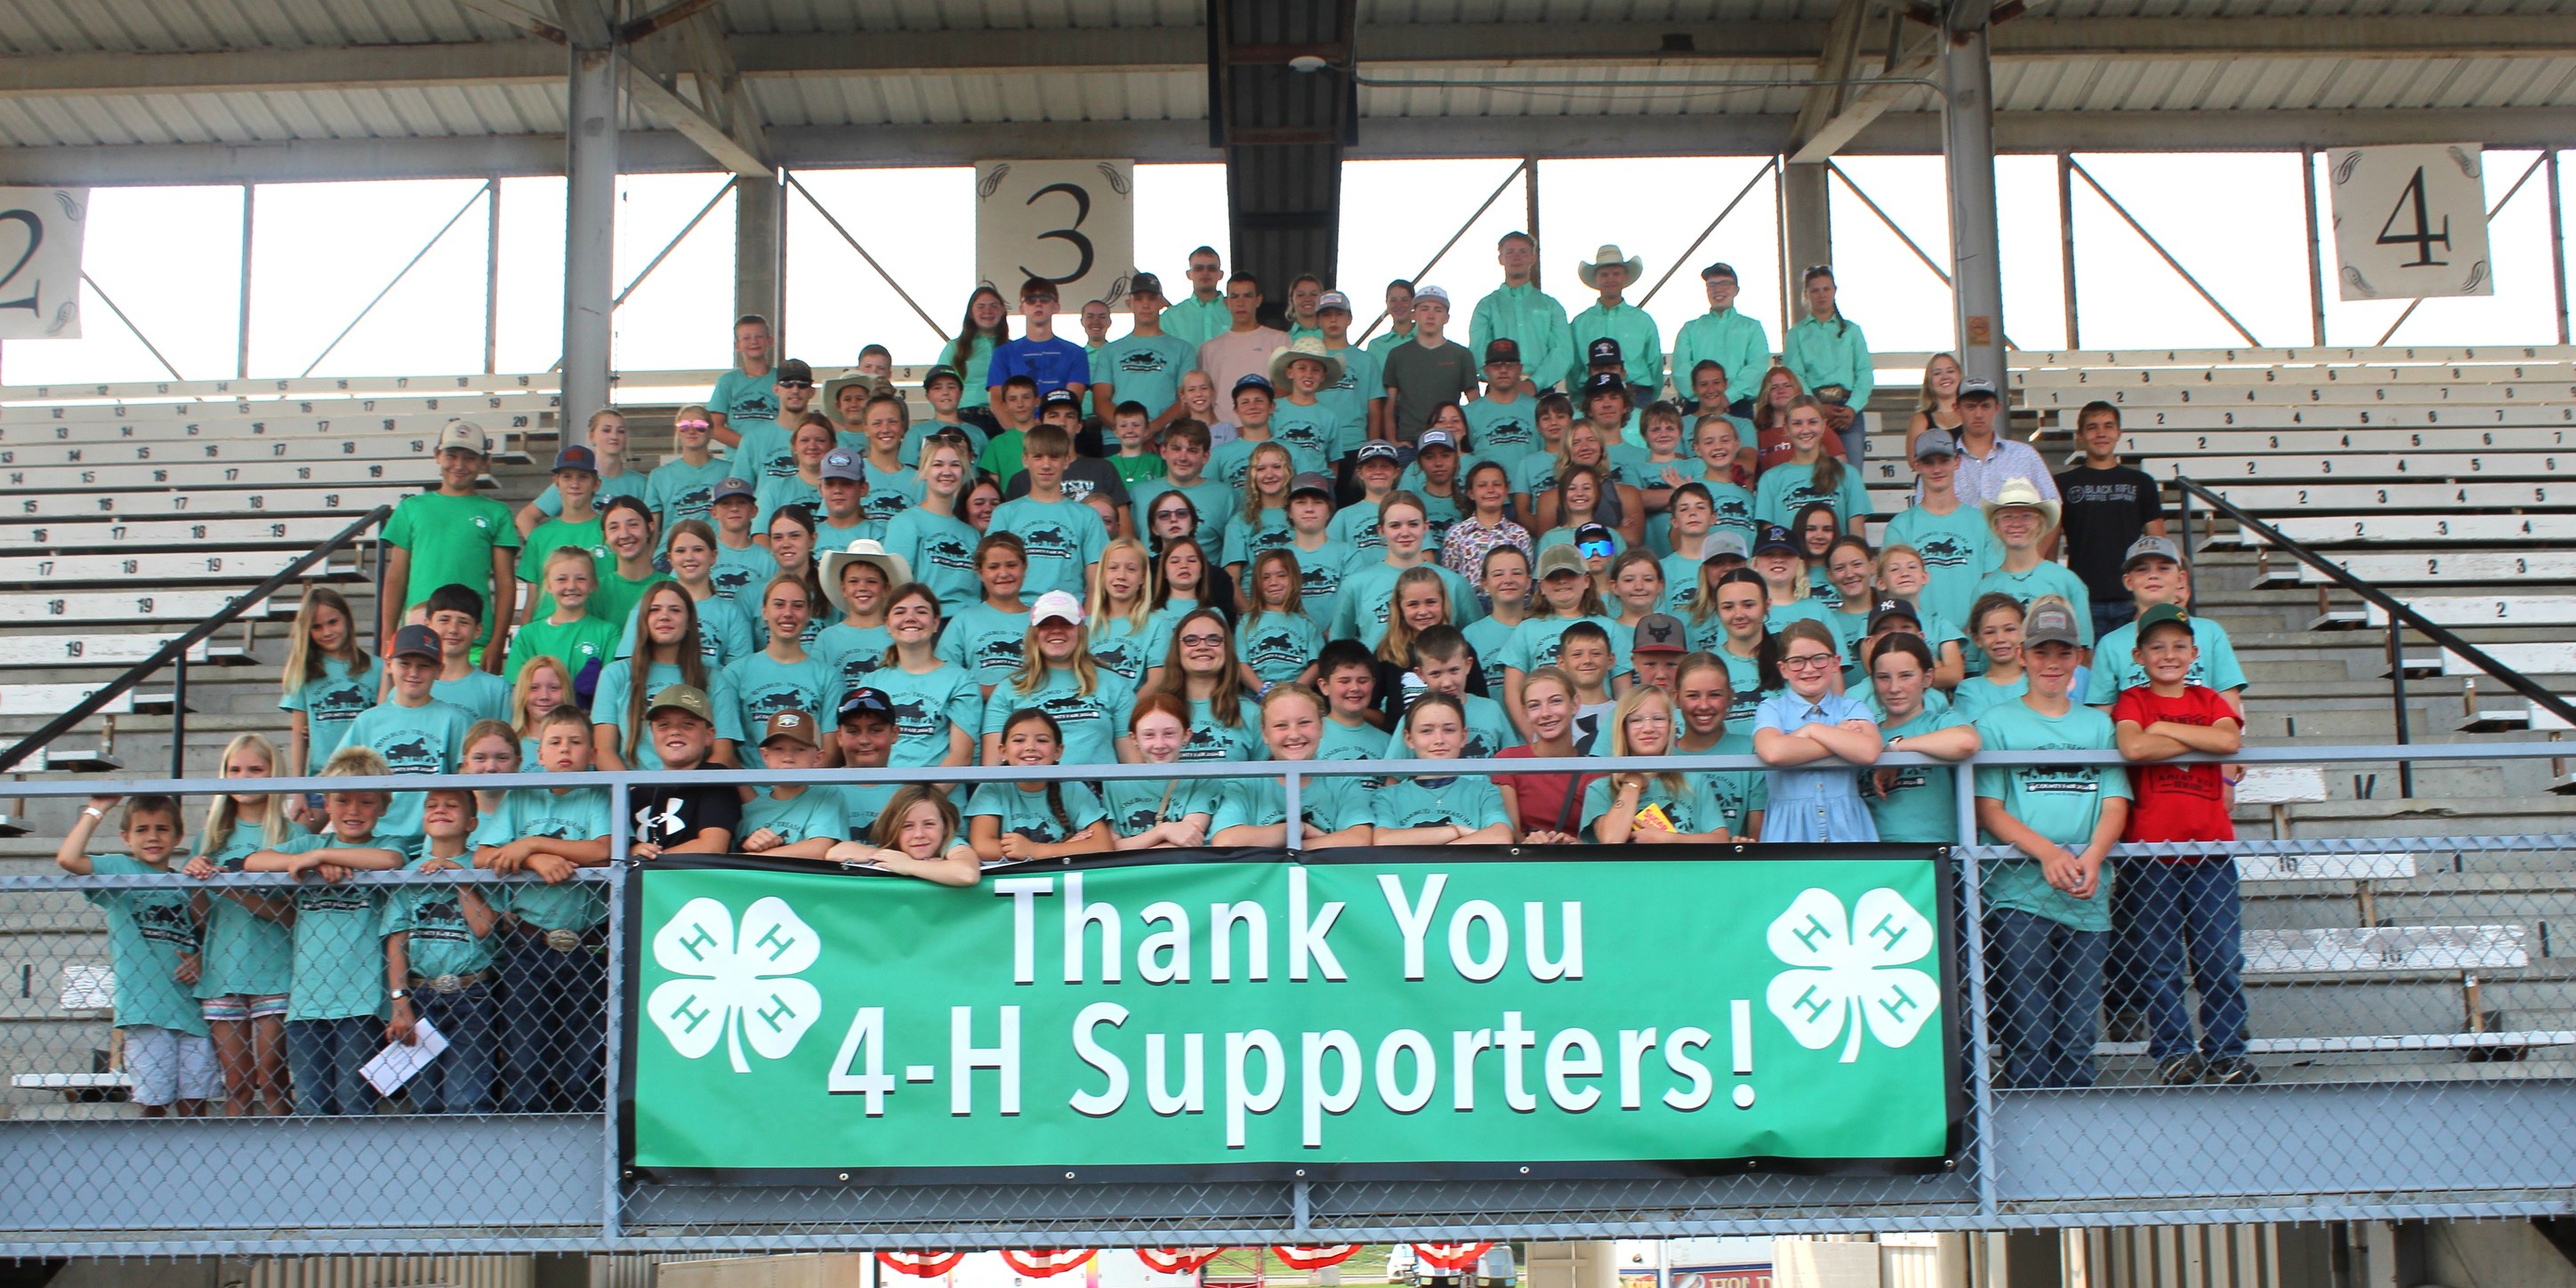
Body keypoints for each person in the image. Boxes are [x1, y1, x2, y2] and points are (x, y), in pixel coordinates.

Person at [1972, 594, 2131, 1091]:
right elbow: (1989, 808)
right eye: (2041, 652)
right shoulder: (1998, 722)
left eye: (2063, 653)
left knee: (2078, 1032)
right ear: (2022, 654)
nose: (2052, 664)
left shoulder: (2097, 725)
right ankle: (2030, 1136)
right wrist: (2048, 853)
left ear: (2079, 658)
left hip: (2087, 892)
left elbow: (2114, 802)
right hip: (2021, 894)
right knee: (2029, 1030)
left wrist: (2092, 856)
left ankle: (2076, 1146)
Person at [2106, 602, 2254, 1085]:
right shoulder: (2133, 701)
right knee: (2160, 956)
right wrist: (2195, 739)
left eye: (2177, 646)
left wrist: (2167, 729)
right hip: (2152, 852)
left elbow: (2229, 741)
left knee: (2219, 956)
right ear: (2138, 654)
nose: (2168, 655)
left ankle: (2226, 1051)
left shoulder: (2211, 698)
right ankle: (2173, 1050)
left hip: (2209, 848)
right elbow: (2133, 748)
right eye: (2156, 647)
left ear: (2194, 652)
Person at [242, 748, 411, 1116]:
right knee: (313, 1109)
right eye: (342, 800)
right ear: (327, 806)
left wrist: (324, 860)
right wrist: (302, 859)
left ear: (383, 807)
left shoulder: (387, 843)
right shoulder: (309, 843)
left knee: (355, 1106)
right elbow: (252, 862)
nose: (353, 811)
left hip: (362, 1004)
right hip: (306, 1004)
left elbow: (389, 861)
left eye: (366, 801)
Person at [471, 710, 614, 1114]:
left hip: (587, 947)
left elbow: (602, 848)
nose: (565, 750)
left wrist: (533, 845)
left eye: (574, 742)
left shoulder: (596, 794)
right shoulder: (522, 795)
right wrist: (532, 860)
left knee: (581, 1059)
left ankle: (584, 1136)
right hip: (529, 944)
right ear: (539, 753)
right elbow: (483, 856)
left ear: (592, 752)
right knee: (524, 1056)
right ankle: (525, 1148)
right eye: (555, 742)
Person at [60, 793, 210, 1117]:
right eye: (141, 830)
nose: (153, 837)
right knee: (153, 1105)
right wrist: (97, 808)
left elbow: (208, 935)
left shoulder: (186, 882)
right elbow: (68, 859)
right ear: (126, 837)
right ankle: (153, 1165)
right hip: (146, 1013)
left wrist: (201, 960)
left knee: (195, 1106)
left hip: (192, 1012)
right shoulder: (120, 869)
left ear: (178, 836)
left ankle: (193, 1168)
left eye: (162, 829)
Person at [181, 736, 294, 1115]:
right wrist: (197, 881)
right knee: (238, 1086)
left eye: (255, 770)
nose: (243, 778)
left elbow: (294, 915)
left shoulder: (290, 836)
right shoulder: (210, 839)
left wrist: (233, 889)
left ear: (274, 774)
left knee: (273, 1080)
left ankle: (290, 1166)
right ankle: (234, 1169)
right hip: (222, 972)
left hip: (276, 971)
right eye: (235, 770)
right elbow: (203, 917)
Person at [381, 786, 502, 1115]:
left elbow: (483, 927)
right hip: (421, 996)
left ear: (472, 823)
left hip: (471, 994)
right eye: (432, 805)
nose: (440, 809)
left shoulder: (482, 864)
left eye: (452, 805)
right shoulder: (410, 871)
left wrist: (458, 877)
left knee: (467, 1099)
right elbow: (396, 941)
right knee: (424, 1103)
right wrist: (399, 1000)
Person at [380, 421, 519, 665]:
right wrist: (387, 635)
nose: (459, 465)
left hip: (474, 638)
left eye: (469, 458)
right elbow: (396, 577)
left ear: (484, 461)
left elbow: (506, 583)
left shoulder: (496, 513)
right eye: (451, 456)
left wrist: (497, 642)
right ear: (437, 455)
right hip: (417, 634)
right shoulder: (412, 508)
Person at [337, 624, 474, 842]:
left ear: (439, 670)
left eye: (424, 666)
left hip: (436, 839)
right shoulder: (368, 720)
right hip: (377, 837)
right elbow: (339, 777)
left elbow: (468, 786)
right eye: (405, 664)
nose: (413, 673)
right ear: (389, 664)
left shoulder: (455, 720)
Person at [1752, 618, 1883, 842]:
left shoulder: (1852, 707)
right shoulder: (1770, 709)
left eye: (1819, 659)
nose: (1809, 668)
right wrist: (1838, 738)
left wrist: (1810, 730)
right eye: (1797, 661)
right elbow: (1774, 752)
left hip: (1847, 828)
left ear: (1835, 663)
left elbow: (1869, 751)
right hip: (1789, 831)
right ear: (1783, 669)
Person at [2085, 535, 2248, 711]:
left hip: (2202, 735)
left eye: (2163, 568)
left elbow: (2229, 708)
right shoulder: (2110, 644)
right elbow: (2104, 716)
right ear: (2128, 581)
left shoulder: (2211, 632)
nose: (2153, 575)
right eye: (2142, 569)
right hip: (2138, 736)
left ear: (2180, 578)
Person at [594, 583, 742, 771]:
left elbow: (722, 753)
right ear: (643, 620)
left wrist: (688, 793)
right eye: (655, 610)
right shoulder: (614, 675)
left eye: (675, 610)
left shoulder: (714, 680)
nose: (664, 616)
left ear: (689, 621)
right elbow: (604, 750)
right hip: (633, 793)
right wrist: (636, 795)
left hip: (694, 792)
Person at [982, 590, 1137, 768]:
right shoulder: (1008, 689)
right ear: (1034, 634)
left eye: (1066, 624)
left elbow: (1132, 761)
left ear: (1081, 631)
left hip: (1100, 791)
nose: (1056, 630)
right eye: (1046, 625)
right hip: (1033, 790)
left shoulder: (1114, 684)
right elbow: (992, 768)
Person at [1210, 684, 1375, 849]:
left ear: (1321, 728)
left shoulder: (1343, 780)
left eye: (1304, 723)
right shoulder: (1244, 783)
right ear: (1265, 734)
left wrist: (1294, 848)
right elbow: (1225, 841)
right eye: (1281, 725)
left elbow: (1360, 839)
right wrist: (1296, 829)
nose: (1294, 735)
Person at [2054, 401, 2168, 638]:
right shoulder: (2064, 483)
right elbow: (2050, 544)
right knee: (2092, 671)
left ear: (2119, 433)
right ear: (2081, 436)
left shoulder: (2142, 482)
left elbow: (2159, 542)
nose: (2101, 433)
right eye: (2093, 427)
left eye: (2108, 426)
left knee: (2134, 667)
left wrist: (2157, 593)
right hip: (2083, 597)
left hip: (2133, 596)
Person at [1864, 635, 1982, 844]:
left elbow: (1967, 742)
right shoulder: (1866, 733)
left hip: (1936, 861)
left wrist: (1896, 748)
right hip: (1875, 862)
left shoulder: (1940, 723)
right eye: (1884, 677)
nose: (1894, 688)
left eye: (1906, 676)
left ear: (1927, 678)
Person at [1583, 687, 1738, 843]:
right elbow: (1611, 841)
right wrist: (1632, 783)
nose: (1649, 729)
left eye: (1658, 719)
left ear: (1671, 725)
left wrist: (1669, 840)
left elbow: (1720, 840)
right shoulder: (1599, 789)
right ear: (1623, 728)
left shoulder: (1694, 781)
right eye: (1636, 720)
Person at [1882, 433, 2000, 637]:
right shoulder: (1900, 526)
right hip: (1918, 642)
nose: (1937, 469)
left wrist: (1970, 632)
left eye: (1944, 461)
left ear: (1957, 461)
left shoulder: (1982, 523)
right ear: (1917, 465)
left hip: (1974, 641)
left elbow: (1992, 587)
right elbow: (1893, 591)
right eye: (1929, 463)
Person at [1332, 493, 1483, 649]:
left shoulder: (1454, 583)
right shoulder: (1355, 585)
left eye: (1413, 524)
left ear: (1425, 528)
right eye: (1395, 525)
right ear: (1381, 530)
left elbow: (1477, 639)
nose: (1405, 532)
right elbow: (1339, 648)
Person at [968, 708, 1115, 865]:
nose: (1030, 747)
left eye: (1042, 740)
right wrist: (1063, 849)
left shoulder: (1071, 786)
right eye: (1019, 740)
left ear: (1058, 751)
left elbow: (1102, 845)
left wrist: (1035, 850)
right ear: (1003, 751)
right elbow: (982, 846)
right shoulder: (993, 787)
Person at [871, 582, 982, 789]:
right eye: (900, 612)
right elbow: (866, 754)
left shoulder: (961, 680)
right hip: (883, 803)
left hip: (939, 803)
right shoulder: (871, 683)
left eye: (921, 612)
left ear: (935, 623)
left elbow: (961, 755)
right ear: (887, 624)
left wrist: (921, 804)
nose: (910, 618)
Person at [279, 588, 378, 804]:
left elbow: (385, 721)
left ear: (347, 620)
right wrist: (298, 790)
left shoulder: (377, 668)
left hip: (367, 780)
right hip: (321, 780)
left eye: (333, 622)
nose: (326, 632)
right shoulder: (303, 672)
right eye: (317, 627)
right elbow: (298, 734)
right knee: (299, 834)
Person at [626, 684, 745, 861]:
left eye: (688, 724)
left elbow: (712, 846)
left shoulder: (715, 777)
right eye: (664, 725)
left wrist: (645, 862)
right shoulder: (636, 791)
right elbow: (615, 851)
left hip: (694, 884)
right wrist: (633, 851)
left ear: (708, 735)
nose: (674, 731)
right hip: (642, 886)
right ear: (652, 734)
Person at [1374, 694, 1515, 844]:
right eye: (1427, 731)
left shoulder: (1484, 790)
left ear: (1463, 737)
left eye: (1449, 730)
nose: (1439, 740)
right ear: (1409, 739)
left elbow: (1501, 837)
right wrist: (1456, 831)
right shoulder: (1388, 796)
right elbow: (1383, 840)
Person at [1973, 479, 2093, 651]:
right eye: (2007, 516)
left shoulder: (2068, 582)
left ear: (2040, 525)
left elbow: (2084, 651)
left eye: (2027, 516)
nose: (2016, 524)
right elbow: (1974, 658)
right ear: (1996, 526)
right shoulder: (1984, 589)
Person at [987, 424, 1104, 600]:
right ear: (1025, 459)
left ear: (1067, 461)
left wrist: (1085, 622)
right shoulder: (1005, 513)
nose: (1046, 465)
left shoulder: (1087, 516)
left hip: (1068, 611)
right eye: (1038, 457)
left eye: (1054, 457)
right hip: (1018, 608)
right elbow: (991, 574)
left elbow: (1096, 585)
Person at [881, 432, 985, 613]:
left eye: (955, 465)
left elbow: (975, 592)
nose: (947, 472)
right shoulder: (905, 523)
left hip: (966, 624)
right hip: (925, 621)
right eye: (938, 464)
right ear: (924, 471)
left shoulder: (971, 534)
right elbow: (898, 586)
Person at [1781, 265, 1872, 464]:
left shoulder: (1852, 331)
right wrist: (1817, 409)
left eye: (1826, 289)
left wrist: (1852, 408)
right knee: (1814, 471)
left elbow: (1865, 373)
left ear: (1834, 290)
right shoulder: (1796, 334)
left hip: (1848, 411)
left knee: (1851, 474)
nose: (1821, 294)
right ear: (1806, 294)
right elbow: (1795, 375)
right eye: (1815, 290)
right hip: (1812, 409)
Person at [1105, 693, 1222, 849]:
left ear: (1186, 736)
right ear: (1134, 739)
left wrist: (1131, 847)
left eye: (1168, 734)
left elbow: (1189, 839)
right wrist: (1163, 831)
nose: (1159, 744)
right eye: (1149, 735)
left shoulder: (1202, 779)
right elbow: (1110, 848)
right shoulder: (1115, 783)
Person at [1494, 664, 1597, 842]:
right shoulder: (1508, 761)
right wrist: (1528, 844)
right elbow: (1509, 832)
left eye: (1555, 701)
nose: (1546, 713)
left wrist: (1577, 845)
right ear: (1525, 712)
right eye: (1534, 706)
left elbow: (1600, 840)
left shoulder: (1595, 770)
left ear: (1575, 704)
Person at [1151, 606, 1266, 761]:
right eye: (1191, 640)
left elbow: (1265, 781)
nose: (1202, 646)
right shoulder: (1153, 712)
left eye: (1214, 639)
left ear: (1227, 649)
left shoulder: (1253, 715)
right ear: (1177, 650)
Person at [1671, 651, 1767, 836]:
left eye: (1715, 695)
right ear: (1676, 698)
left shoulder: (1751, 751)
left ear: (1731, 697)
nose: (1704, 705)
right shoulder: (1663, 758)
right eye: (1693, 696)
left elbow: (1757, 837)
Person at [736, 710, 851, 861]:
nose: (788, 758)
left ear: (818, 758)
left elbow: (819, 849)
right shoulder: (751, 810)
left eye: (799, 749)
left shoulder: (825, 795)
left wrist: (754, 858)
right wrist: (748, 847)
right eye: (778, 749)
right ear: (765, 756)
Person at [1469, 231, 1574, 395]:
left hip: (1544, 393)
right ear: (1501, 259)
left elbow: (1563, 352)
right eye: (1510, 252)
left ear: (1533, 258)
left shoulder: (1551, 306)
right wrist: (1502, 382)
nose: (1516, 257)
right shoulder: (1486, 306)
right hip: (1498, 392)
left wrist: (1534, 383)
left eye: (1523, 252)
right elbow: (1478, 350)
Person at [518, 407, 648, 536]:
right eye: (606, 430)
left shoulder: (641, 484)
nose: (614, 436)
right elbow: (525, 518)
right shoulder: (575, 483)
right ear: (591, 436)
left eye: (621, 431)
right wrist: (541, 550)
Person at [505, 546, 618, 690]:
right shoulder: (528, 636)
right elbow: (517, 689)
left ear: (593, 584)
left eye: (581, 579)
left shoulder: (608, 633)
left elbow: (612, 688)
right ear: (549, 586)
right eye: (561, 579)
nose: (571, 586)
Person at [1754, 398, 1871, 535]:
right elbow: (1769, 538)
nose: (1805, 430)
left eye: (1813, 422)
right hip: (1790, 555)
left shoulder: (1848, 474)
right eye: (1797, 423)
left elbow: (1857, 538)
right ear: (1786, 428)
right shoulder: (1770, 479)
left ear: (1823, 426)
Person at [823, 785, 982, 885]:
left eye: (929, 824)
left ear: (946, 826)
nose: (919, 834)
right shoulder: (895, 851)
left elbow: (967, 874)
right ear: (893, 828)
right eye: (907, 826)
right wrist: (889, 857)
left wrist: (909, 865)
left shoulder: (951, 844)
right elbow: (835, 854)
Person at [1381, 286, 1478, 446]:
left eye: (1438, 310)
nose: (1431, 315)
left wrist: (1470, 441)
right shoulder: (1397, 355)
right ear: (1414, 314)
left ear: (1447, 317)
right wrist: (1393, 441)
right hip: (1410, 442)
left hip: (1450, 440)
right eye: (1424, 309)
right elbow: (1389, 405)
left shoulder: (1462, 354)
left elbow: (1474, 403)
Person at [1671, 262, 1768, 416]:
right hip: (1697, 406)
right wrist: (1705, 397)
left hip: (1738, 406)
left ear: (1736, 290)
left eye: (1725, 283)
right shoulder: (1690, 328)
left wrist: (1729, 396)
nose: (1718, 289)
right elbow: (1680, 368)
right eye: (1712, 285)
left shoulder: (1752, 327)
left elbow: (1756, 367)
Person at [1947, 376, 2058, 509]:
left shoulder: (2025, 455)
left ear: (1997, 408)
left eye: (1985, 406)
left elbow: (2054, 506)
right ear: (1957, 409)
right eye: (1971, 406)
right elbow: (1924, 513)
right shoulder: (1941, 461)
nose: (1978, 414)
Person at [1566, 245, 1661, 394]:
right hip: (1592, 392)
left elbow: (1655, 364)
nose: (1610, 279)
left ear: (1625, 277)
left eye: (1616, 273)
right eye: (1604, 274)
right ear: (1596, 279)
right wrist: (1578, 398)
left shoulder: (1643, 321)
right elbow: (1573, 368)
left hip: (1636, 392)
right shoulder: (1579, 324)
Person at [815, 543, 906, 690]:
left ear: (886, 589)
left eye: (871, 581)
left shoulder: (898, 635)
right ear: (843, 589)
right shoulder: (826, 639)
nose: (862, 587)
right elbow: (818, 687)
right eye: (853, 581)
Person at [1699, 569, 1782, 731]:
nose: (1738, 614)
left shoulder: (1790, 661)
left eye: (1748, 605)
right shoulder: (1705, 665)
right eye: (1728, 607)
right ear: (1717, 611)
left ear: (1767, 605)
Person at [1312, 290, 1387, 459]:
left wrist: (1372, 452)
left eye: (1339, 314)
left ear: (1349, 319)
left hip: (1354, 444)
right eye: (1326, 315)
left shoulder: (1366, 360)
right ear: (1317, 320)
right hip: (1316, 444)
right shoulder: (1309, 360)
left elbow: (1374, 411)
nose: (1333, 319)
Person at [1238, 548, 1325, 690]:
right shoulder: (1247, 622)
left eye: (1281, 575)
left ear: (1294, 579)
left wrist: (1295, 690)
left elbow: (1317, 665)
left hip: (1297, 697)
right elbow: (1240, 664)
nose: (1273, 582)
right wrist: (1262, 691)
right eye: (1265, 577)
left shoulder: (1307, 624)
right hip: (1256, 698)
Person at [1196, 270, 1290, 398]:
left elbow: (1283, 389)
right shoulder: (1208, 349)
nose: (1241, 303)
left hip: (1265, 417)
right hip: (1220, 418)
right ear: (1227, 302)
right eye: (1234, 296)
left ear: (1258, 300)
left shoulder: (1279, 340)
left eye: (1248, 296)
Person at [726, 357, 816, 484]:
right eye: (787, 383)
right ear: (776, 389)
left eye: (802, 384)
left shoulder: (826, 438)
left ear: (812, 392)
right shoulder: (752, 439)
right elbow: (740, 492)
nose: (795, 390)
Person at [1265, 339, 1347, 478]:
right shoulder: (1273, 409)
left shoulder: (1329, 417)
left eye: (1315, 369)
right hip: (1280, 482)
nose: (1309, 374)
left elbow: (1333, 461)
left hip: (1316, 484)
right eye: (1302, 368)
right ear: (1290, 372)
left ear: (1323, 376)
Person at [1462, 339, 1542, 470]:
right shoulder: (1468, 413)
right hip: (1487, 488)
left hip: (1531, 488)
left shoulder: (1538, 409)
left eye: (1510, 364)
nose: (1503, 370)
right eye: (1496, 365)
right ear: (1486, 370)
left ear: (1520, 368)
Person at [939, 286, 1011, 425]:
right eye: (981, 306)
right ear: (971, 313)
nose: (987, 311)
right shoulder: (954, 348)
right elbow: (937, 387)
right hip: (964, 419)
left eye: (994, 306)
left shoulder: (1013, 349)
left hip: (1004, 419)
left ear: (1002, 311)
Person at [707, 314, 781, 445]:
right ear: (737, 346)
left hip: (776, 456)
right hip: (738, 460)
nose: (754, 341)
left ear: (770, 341)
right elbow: (714, 427)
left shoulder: (782, 379)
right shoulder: (727, 381)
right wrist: (749, 447)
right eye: (746, 338)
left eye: (759, 336)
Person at [1954, 592, 2030, 718]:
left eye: (2010, 629)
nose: (2000, 639)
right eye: (1990, 632)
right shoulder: (1970, 690)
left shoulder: (2039, 681)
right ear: (1977, 639)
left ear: (2024, 632)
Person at [592, 496, 661, 629]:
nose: (624, 534)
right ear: (605, 536)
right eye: (614, 527)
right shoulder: (595, 592)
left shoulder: (671, 586)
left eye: (633, 524)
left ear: (650, 527)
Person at [901, 366, 980, 465]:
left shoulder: (978, 433)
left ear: (960, 393)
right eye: (937, 388)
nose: (945, 392)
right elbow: (907, 472)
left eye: (951, 387)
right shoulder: (915, 433)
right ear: (928, 396)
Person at [1161, 246, 1231, 346]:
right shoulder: (1169, 318)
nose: (1205, 272)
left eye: (1211, 268)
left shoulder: (1236, 312)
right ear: (1189, 274)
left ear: (1221, 275)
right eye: (1199, 268)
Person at [1907, 351, 1965, 460]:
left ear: (1960, 376)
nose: (1945, 377)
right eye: (1937, 373)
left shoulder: (1971, 415)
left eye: (1950, 371)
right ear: (1929, 382)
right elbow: (1913, 461)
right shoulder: (1920, 420)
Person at [1103, 401, 1166, 488]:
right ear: (1115, 431)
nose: (1130, 430)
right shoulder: (1105, 464)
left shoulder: (1158, 463)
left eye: (1136, 425)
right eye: (1123, 426)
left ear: (1146, 430)